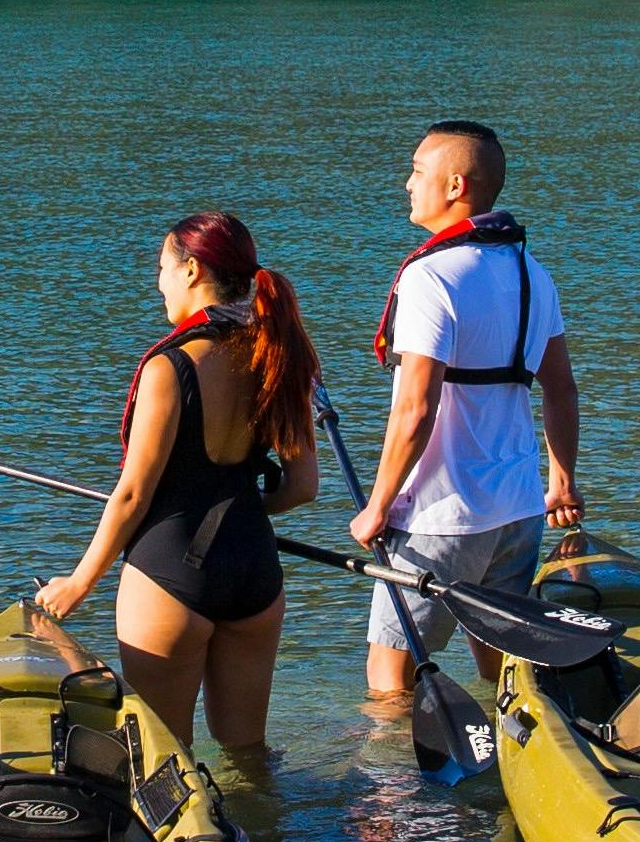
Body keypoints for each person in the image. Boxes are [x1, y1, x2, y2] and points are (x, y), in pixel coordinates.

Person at [29, 211, 324, 763]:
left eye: (162, 267)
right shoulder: (280, 355)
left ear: (191, 270)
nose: (158, 280)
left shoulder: (172, 366)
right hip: (255, 571)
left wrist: (79, 582)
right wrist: (238, 512)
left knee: (162, 755)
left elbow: (133, 494)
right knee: (248, 753)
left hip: (170, 575)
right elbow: (303, 487)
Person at [346, 118, 583, 710]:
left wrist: (377, 508)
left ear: (454, 185)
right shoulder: (534, 274)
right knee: (501, 671)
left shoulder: (431, 278)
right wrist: (562, 482)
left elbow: (415, 408)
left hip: (440, 517)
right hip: (517, 511)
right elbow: (561, 390)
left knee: (389, 680)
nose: (407, 184)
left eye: (418, 172)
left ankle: (397, 796)